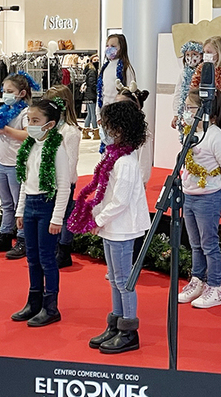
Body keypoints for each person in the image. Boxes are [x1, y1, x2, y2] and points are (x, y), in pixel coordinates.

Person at [68, 100, 150, 354]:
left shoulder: (126, 162)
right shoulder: (112, 156)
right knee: (114, 279)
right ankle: (116, 322)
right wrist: (97, 217)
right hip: (111, 226)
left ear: (121, 129)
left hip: (122, 227)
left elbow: (120, 201)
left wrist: (97, 220)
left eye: (107, 125)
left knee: (124, 281)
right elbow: (105, 193)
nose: (103, 129)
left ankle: (129, 330)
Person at [11, 99, 72, 327]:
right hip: (30, 206)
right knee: (32, 257)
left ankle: (51, 306)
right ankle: (33, 300)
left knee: (47, 258)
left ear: (50, 124)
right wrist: (20, 210)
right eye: (29, 120)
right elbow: (25, 181)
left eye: (36, 120)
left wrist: (57, 218)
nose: (30, 125)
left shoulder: (57, 149)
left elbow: (64, 186)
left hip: (47, 205)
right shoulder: (30, 146)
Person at [177, 90, 221, 309]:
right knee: (195, 243)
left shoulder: (215, 136)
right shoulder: (190, 132)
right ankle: (197, 280)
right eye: (185, 107)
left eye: (190, 108)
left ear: (205, 111)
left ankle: (215, 286)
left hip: (208, 197)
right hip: (189, 195)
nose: (186, 112)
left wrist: (219, 192)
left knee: (209, 244)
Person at [0, 73, 33, 259]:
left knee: (20, 203)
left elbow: (28, 135)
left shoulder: (25, 113)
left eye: (10, 91)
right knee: (6, 203)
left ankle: (23, 238)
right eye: (4, 91)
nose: (6, 95)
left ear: (22, 93)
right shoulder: (3, 111)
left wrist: (5, 130)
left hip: (17, 163)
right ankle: (5, 234)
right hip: (2, 162)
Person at [44, 84, 82, 269]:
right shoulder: (49, 128)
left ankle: (64, 249)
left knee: (65, 215)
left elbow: (71, 160)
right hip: (49, 180)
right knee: (53, 213)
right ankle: (52, 247)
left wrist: (63, 182)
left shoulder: (70, 131)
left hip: (64, 181)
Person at [190, 36, 221, 121]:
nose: (206, 55)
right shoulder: (201, 70)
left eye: (209, 52)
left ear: (219, 53)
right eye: (204, 52)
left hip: (217, 114)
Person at [115, 83, 153, 186]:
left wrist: (141, 182)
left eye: (123, 105)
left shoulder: (142, 133)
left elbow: (144, 162)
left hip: (131, 182)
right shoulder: (113, 129)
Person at [171, 40, 204, 141]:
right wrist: (176, 114)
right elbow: (178, 93)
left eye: (194, 54)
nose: (190, 57)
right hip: (186, 112)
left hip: (200, 112)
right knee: (186, 137)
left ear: (201, 55)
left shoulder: (204, 72)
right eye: (188, 55)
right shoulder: (183, 74)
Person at [98, 34, 136, 119]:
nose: (109, 48)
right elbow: (100, 92)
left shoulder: (126, 68)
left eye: (113, 46)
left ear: (121, 48)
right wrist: (98, 113)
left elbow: (130, 92)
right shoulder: (105, 67)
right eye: (107, 46)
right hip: (105, 111)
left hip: (120, 112)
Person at [82, 55, 100, 139]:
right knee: (93, 114)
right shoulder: (92, 71)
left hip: (88, 95)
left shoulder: (89, 70)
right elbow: (92, 83)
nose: (97, 61)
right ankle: (96, 132)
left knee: (89, 114)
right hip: (91, 95)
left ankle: (85, 132)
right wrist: (97, 90)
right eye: (95, 60)